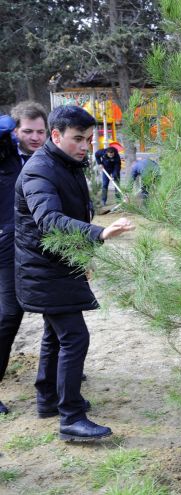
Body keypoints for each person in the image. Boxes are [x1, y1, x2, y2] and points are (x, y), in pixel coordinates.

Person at [15, 105, 135, 440]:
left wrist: (84, 258)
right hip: (43, 269)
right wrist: (99, 233)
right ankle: (70, 418)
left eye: (89, 139)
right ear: (56, 135)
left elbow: (76, 208)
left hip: (58, 265)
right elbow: (50, 221)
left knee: (55, 335)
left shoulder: (65, 164)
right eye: (78, 138)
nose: (86, 146)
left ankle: (49, 398)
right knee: (74, 337)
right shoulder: (39, 170)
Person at [0, 102, 48, 415]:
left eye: (40, 131)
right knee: (8, 315)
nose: (34, 137)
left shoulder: (50, 159)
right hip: (8, 247)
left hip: (43, 245)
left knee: (55, 314)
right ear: (15, 131)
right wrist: (9, 125)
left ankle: (54, 381)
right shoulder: (5, 156)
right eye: (27, 131)